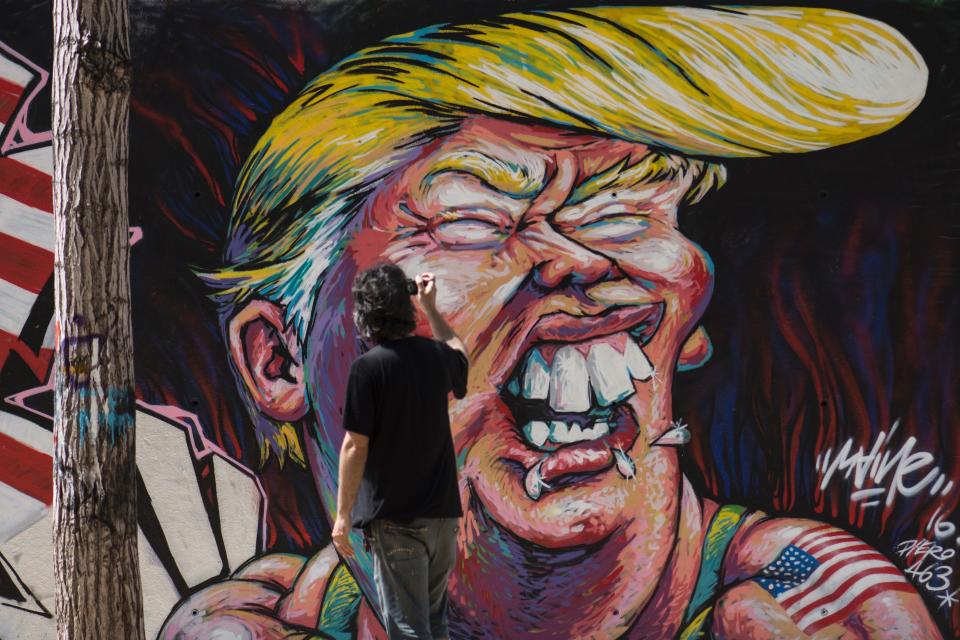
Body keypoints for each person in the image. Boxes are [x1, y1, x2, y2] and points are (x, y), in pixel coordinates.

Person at [159, 6, 941, 638]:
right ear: (278, 361)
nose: (582, 262)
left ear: (686, 322)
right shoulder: (266, 623)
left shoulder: (808, 613)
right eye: (472, 218)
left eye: (621, 212)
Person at [331, 264, 468, 639]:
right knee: (434, 625)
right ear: (405, 309)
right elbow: (460, 353)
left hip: (396, 523)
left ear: (366, 315)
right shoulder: (436, 356)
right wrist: (432, 310)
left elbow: (354, 445)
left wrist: (342, 516)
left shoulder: (367, 369)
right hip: (441, 518)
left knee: (409, 630)